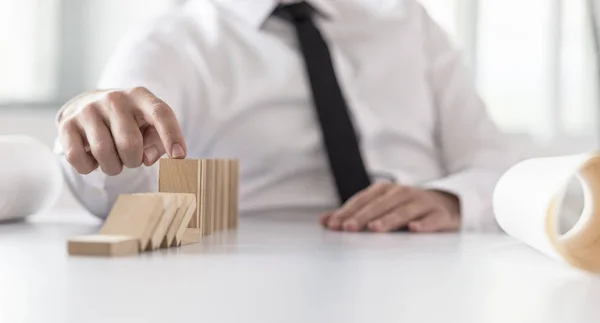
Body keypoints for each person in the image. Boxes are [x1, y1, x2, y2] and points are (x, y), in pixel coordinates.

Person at [55, 0, 517, 233]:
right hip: (253, 266)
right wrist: (96, 133)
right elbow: (119, 196)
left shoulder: (407, 21)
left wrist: (449, 200)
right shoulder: (170, 39)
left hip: (427, 257)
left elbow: (497, 166)